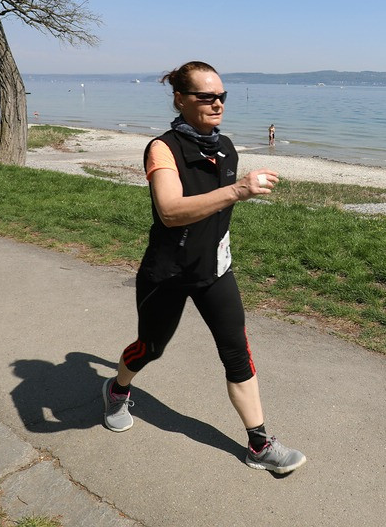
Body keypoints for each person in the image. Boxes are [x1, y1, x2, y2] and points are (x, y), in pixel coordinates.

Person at [103, 60, 306, 474]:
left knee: (237, 352)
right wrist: (238, 189)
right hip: (167, 274)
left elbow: (216, 215)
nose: (217, 104)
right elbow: (171, 211)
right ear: (180, 98)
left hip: (214, 271)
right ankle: (117, 388)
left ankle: (259, 444)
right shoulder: (163, 148)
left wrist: (230, 210)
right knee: (150, 348)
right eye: (206, 97)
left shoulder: (226, 147)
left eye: (222, 97)